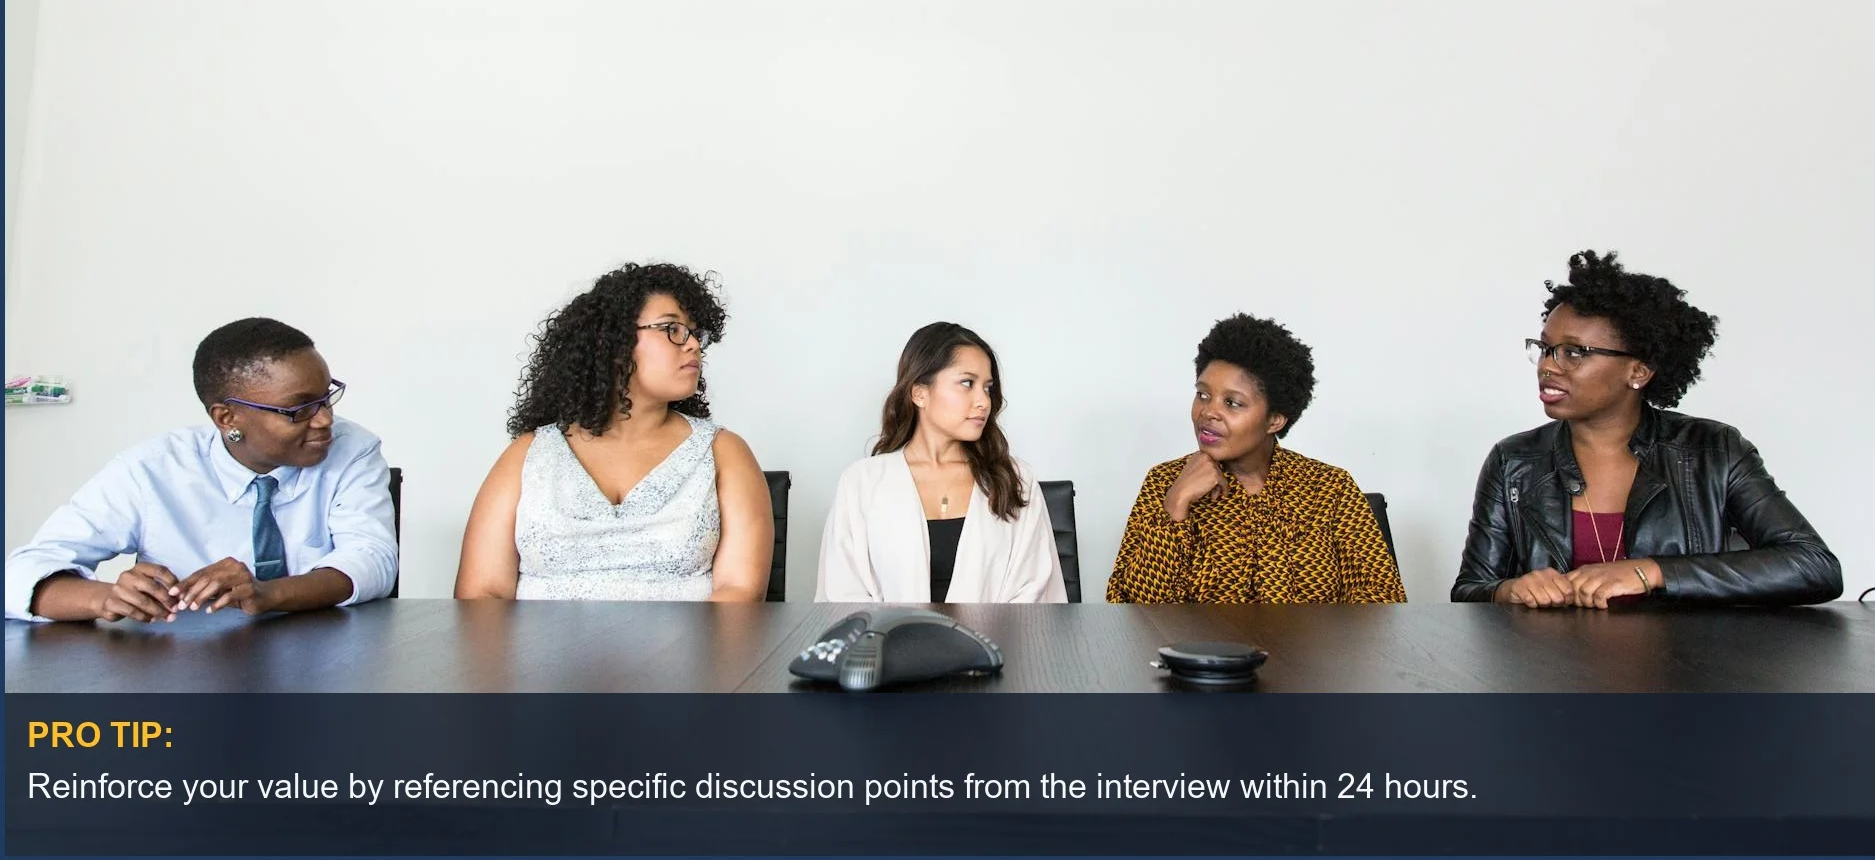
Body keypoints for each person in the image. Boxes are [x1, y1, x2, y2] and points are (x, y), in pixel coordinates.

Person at [1452, 250, 1842, 608]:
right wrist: (1509, 590)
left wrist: (1652, 572)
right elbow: (1470, 589)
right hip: (1553, 673)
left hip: (1687, 671)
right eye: (1545, 348)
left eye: (1574, 352)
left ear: (1638, 371)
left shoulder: (1714, 451)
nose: (1547, 366)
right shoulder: (1514, 460)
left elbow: (1813, 565)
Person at [4, 318, 396, 622]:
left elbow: (372, 559)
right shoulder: (152, 470)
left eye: (327, 397)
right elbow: (20, 574)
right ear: (227, 418)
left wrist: (267, 594)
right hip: (186, 667)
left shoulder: (352, 450)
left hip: (328, 661)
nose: (325, 420)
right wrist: (103, 598)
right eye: (300, 409)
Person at [455, 262, 771, 602]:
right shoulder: (529, 453)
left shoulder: (724, 452)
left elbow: (738, 594)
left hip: (687, 654)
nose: (693, 344)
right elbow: (481, 594)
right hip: (537, 655)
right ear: (614, 343)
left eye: (695, 333)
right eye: (672, 329)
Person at [1107, 314, 1404, 604]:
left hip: (1309, 655)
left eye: (1232, 403)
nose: (1207, 413)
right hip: (1199, 654)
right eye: (1202, 395)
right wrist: (1177, 503)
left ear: (1274, 420)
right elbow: (1130, 610)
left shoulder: (1329, 489)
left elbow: (1383, 604)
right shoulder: (1165, 481)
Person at [816, 322, 1065, 603]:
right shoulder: (862, 483)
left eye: (987, 387)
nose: (984, 401)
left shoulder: (1015, 478)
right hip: (887, 646)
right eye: (967, 383)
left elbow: (1034, 592)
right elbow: (843, 595)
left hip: (996, 645)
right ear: (919, 392)